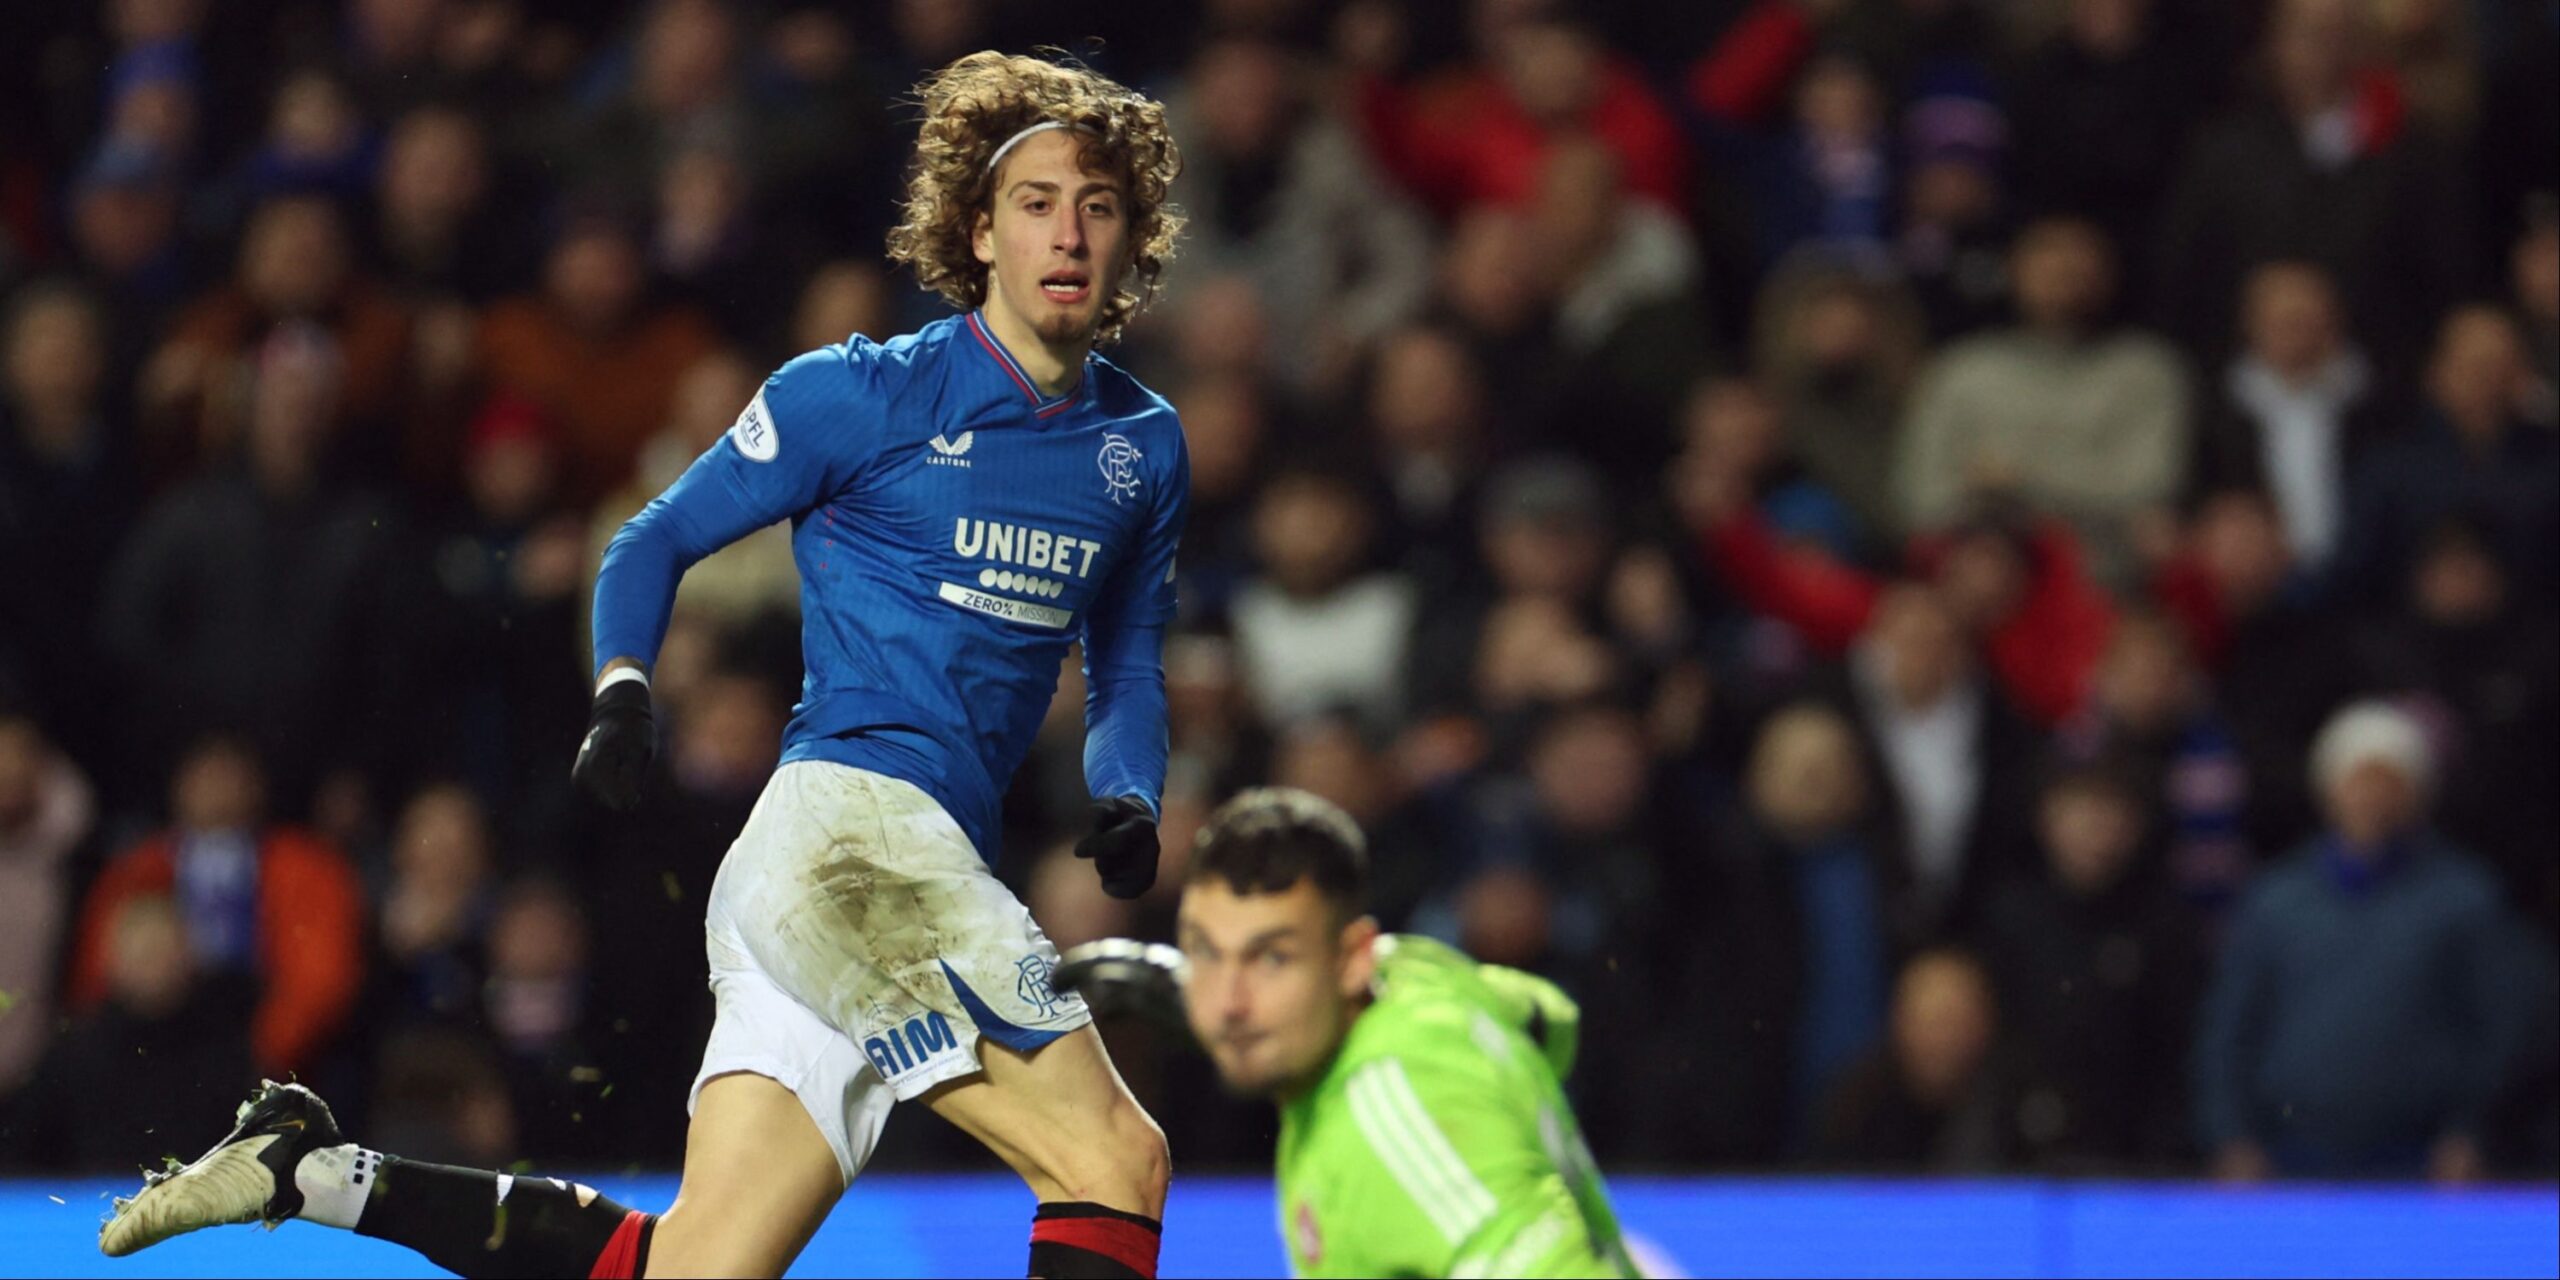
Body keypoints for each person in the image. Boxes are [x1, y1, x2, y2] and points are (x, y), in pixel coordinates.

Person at [100, 49, 1191, 1280]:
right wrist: (622, 688)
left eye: (1099, 206)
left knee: (692, 1268)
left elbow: (1127, 663)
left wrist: (1129, 792)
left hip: (854, 871)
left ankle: (309, 1169)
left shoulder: (1141, 446)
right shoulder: (860, 393)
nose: (1068, 233)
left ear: (1132, 237)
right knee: (1115, 1161)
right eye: (1037, 203)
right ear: (979, 232)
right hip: (854, 845)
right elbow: (651, 538)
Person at [1059, 787, 1636, 1278]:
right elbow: (1550, 1020)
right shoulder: (1420, 975)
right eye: (1207, 952)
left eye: (1273, 958)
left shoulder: (1394, 1115)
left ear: (1353, 958)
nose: (1230, 1003)